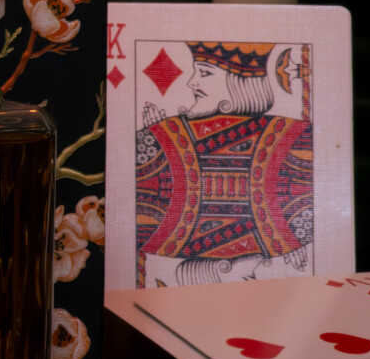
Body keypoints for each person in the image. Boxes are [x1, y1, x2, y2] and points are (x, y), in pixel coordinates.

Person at [134, 42, 313, 287]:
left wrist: (160, 136)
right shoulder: (159, 137)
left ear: (239, 85)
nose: (192, 83)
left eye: (205, 73)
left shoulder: (295, 137)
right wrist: (159, 138)